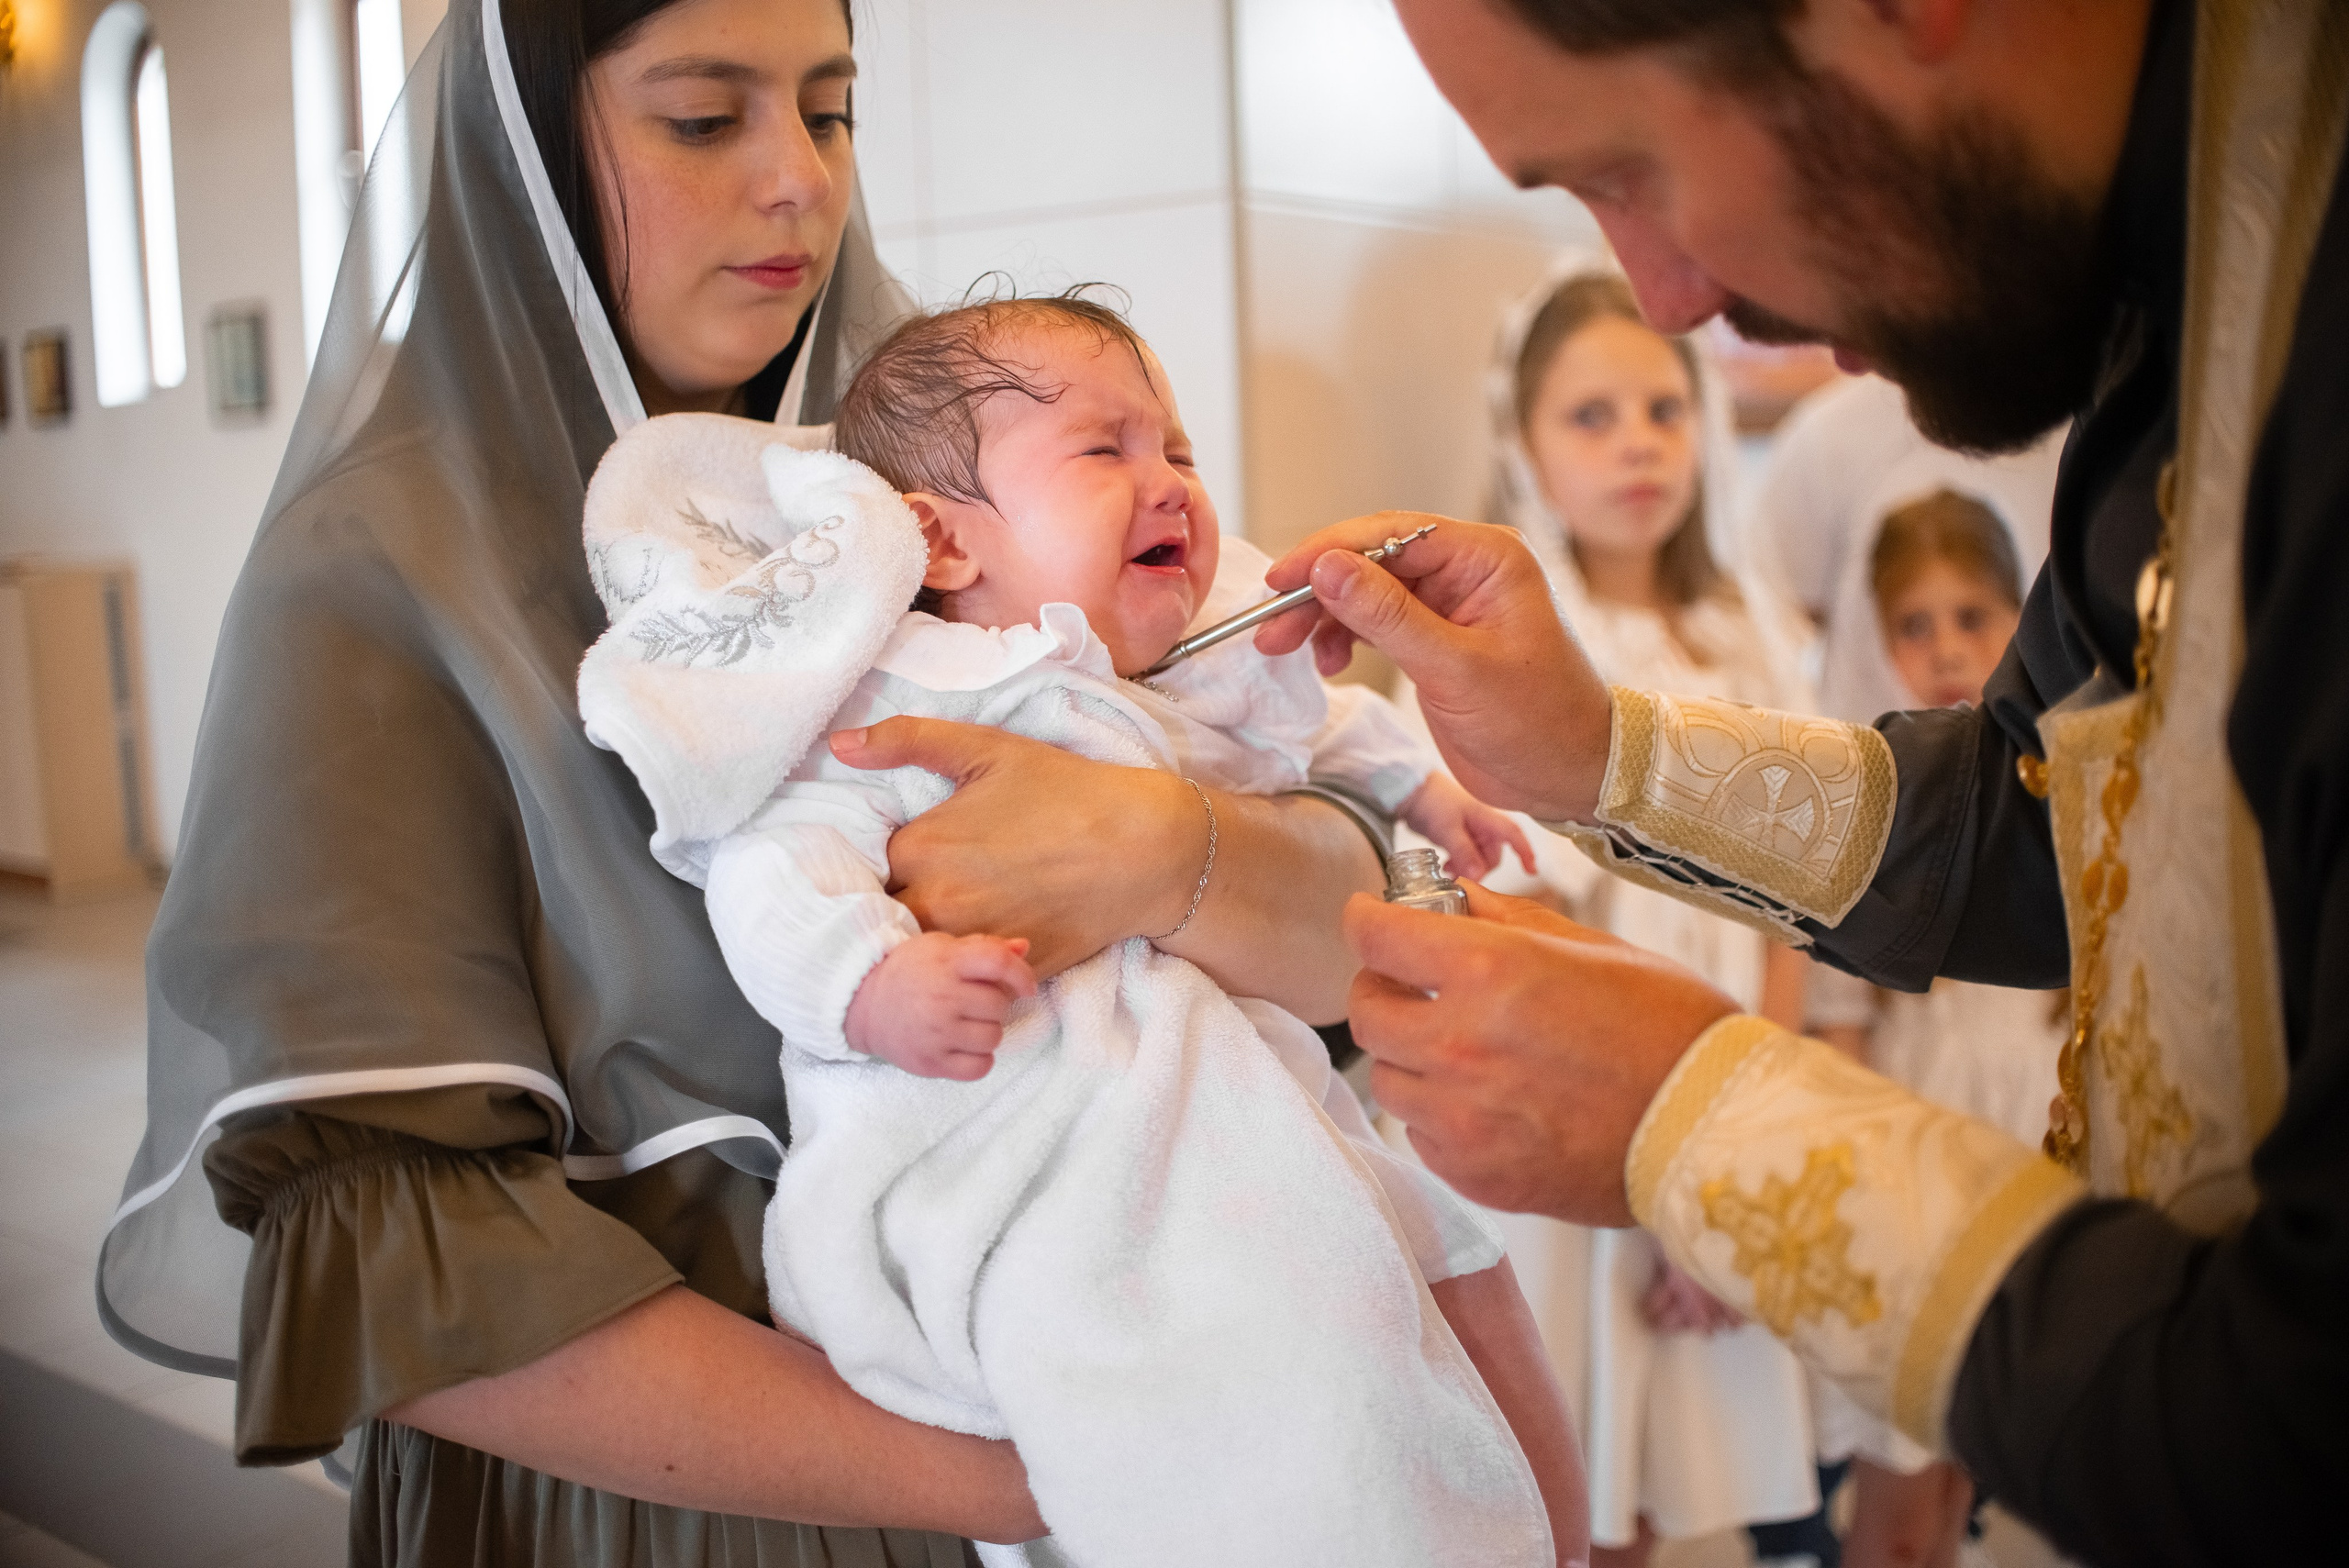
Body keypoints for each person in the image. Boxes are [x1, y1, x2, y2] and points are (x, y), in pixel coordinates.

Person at [100, 3, 1407, 1562]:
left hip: (1080, 1380)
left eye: (832, 110)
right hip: (679, 1505)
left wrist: (1157, 846)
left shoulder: (951, 476)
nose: (799, 179)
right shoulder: (380, 577)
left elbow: (1361, 910)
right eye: (705, 119)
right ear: (527, 151)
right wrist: (1051, 1466)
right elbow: (393, 1256)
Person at [1249, 0, 2349, 1562]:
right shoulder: (2167, 270)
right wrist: (1598, 751)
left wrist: (1694, 1116)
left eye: (1626, 169)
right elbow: (2048, 817)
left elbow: (2309, 1406)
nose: (1674, 302)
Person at [575, 294, 1580, 1566]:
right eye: (1106, 452)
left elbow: (1314, 721)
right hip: (1031, 1134)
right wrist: (867, 982)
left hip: (1232, 1098)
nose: (1168, 486)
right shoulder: (897, 696)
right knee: (1264, 1351)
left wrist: (1417, 781)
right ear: (937, 542)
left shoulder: (1172, 674)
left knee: (1462, 1265)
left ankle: (1543, 1540)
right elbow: (777, 862)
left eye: (1179, 452)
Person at [1397, 266, 1821, 1568]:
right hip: (1565, 1124)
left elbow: (1790, 922)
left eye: (1663, 406)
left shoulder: (1750, 633)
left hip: (1728, 1099)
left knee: (1680, 1493)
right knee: (1569, 1495)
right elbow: (1498, 925)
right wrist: (1653, 1176)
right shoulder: (1484, 655)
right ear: (1519, 444)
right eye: (1591, 415)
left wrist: (1736, 1159)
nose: (1637, 439)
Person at [1801, 487, 2066, 1568]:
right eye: (1915, 625)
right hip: (1925, 1173)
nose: (1948, 647)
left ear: (2020, 614)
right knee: (1900, 1495)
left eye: (1973, 616)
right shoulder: (1883, 809)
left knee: (1965, 1483)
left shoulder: (2065, 792)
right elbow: (1839, 1024)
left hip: (2032, 1169)